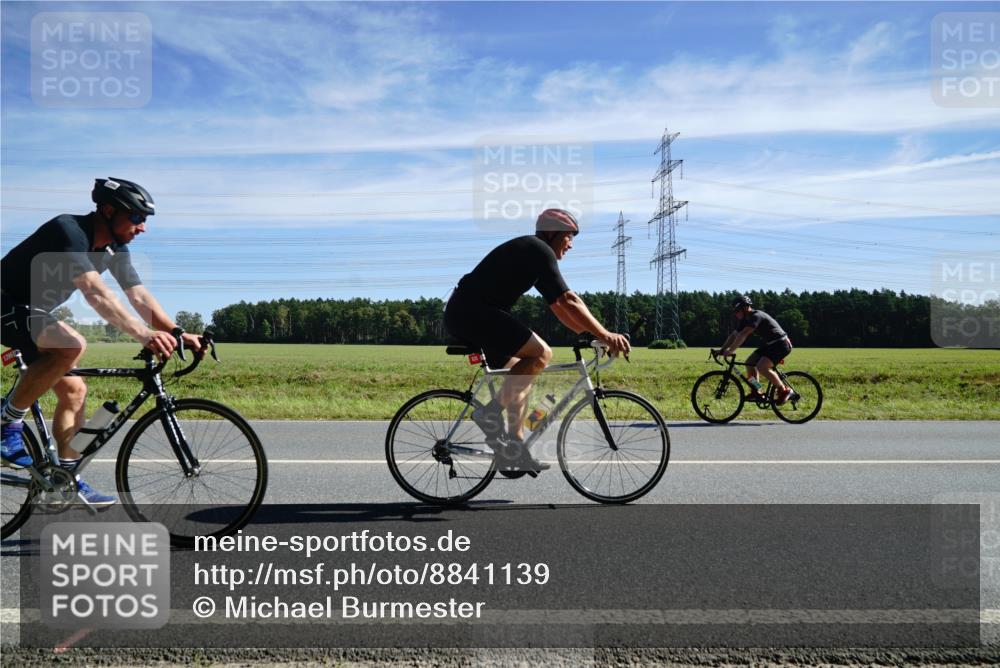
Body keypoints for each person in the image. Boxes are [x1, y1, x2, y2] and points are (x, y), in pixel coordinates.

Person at [1, 177, 204, 506]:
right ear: (108, 211)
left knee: (75, 390)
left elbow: (138, 297)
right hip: (5, 304)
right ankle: (6, 421)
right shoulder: (68, 232)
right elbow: (95, 293)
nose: (143, 228)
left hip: (30, 313)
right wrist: (144, 334)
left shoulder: (113, 250)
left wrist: (177, 332)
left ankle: (64, 480)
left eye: (145, 220)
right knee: (72, 345)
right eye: (137, 218)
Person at [444, 208, 631, 472]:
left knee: (521, 376)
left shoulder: (534, 255)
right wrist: (605, 334)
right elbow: (569, 300)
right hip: (472, 313)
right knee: (542, 354)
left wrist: (588, 335)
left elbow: (558, 307)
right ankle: (488, 414)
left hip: (469, 313)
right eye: (569, 236)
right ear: (553, 234)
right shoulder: (538, 250)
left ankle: (514, 449)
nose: (571, 244)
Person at [715, 295, 798, 404]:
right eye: (734, 311)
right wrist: (722, 350)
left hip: (781, 344)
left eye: (737, 311)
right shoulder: (745, 320)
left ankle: (784, 390)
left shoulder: (756, 316)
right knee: (749, 363)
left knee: (761, 367)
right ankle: (757, 390)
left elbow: (744, 334)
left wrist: (731, 350)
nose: (736, 314)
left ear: (745, 308)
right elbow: (734, 335)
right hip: (771, 345)